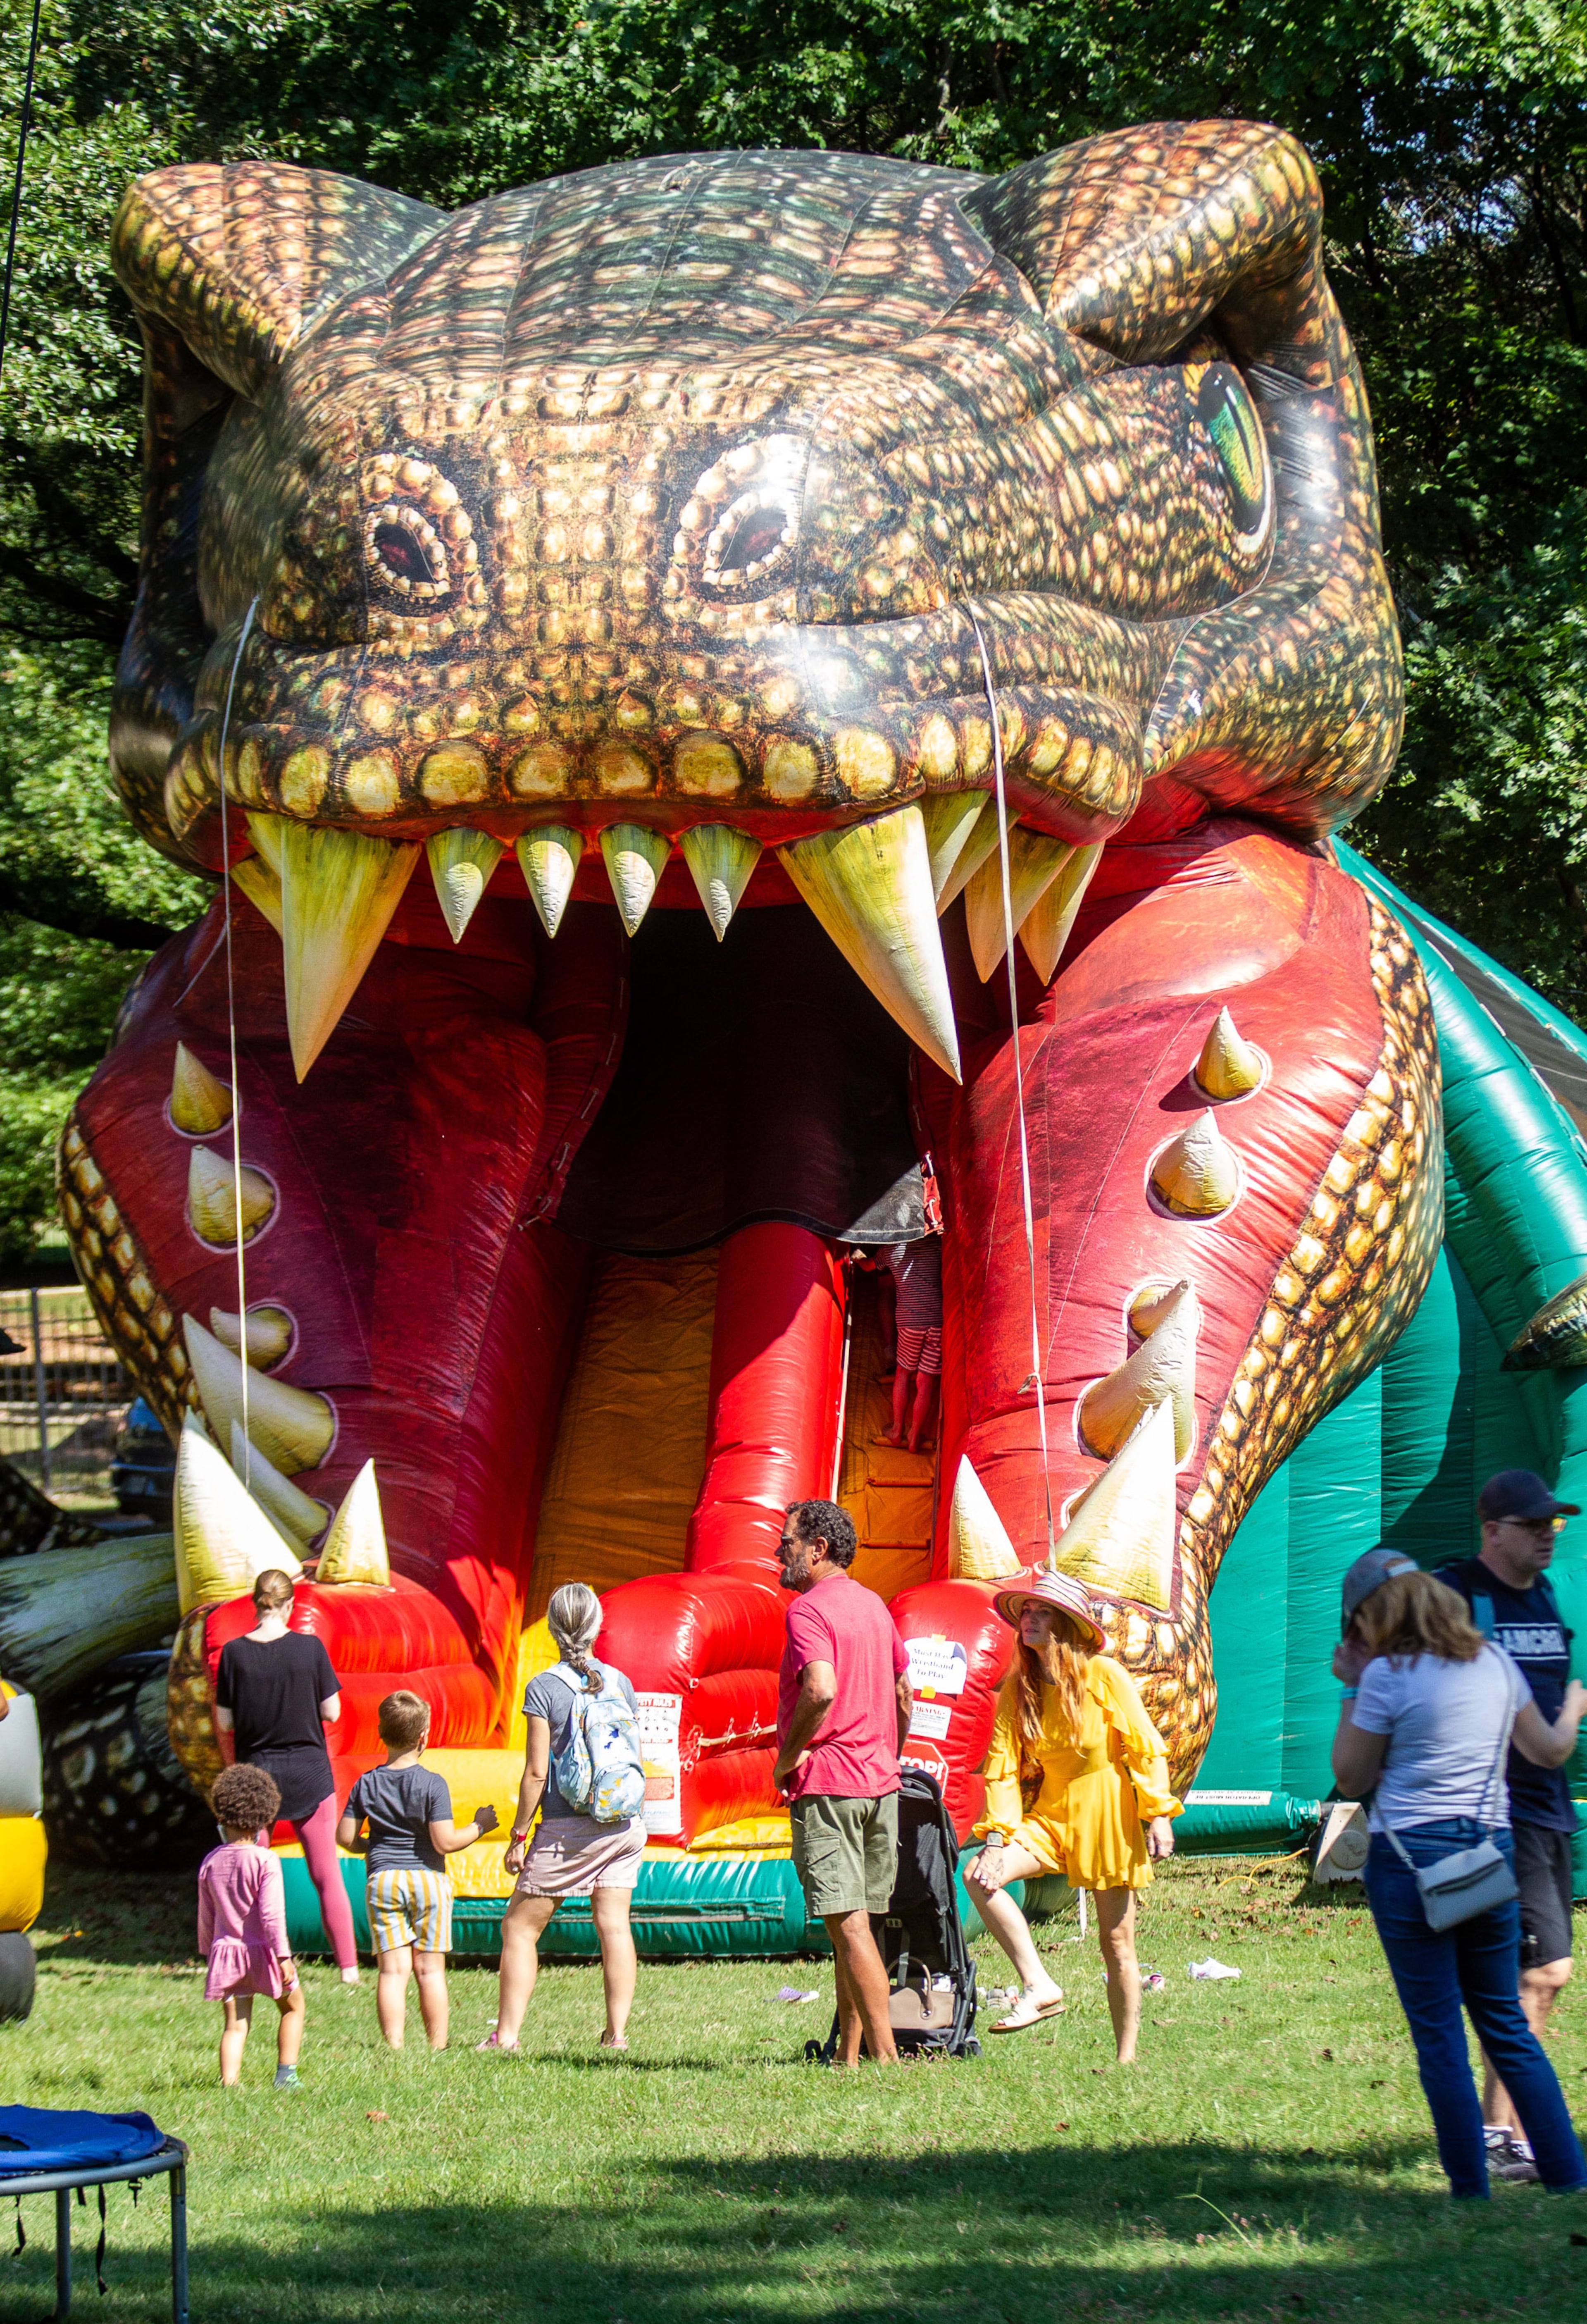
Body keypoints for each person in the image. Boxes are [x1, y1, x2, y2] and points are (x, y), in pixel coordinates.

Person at [1332, 1546, 1587, 2199]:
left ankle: (1471, 2189)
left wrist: (1351, 1688)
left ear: (1371, 1617)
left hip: (1410, 1860)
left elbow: (1353, 1777)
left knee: (1440, 2032)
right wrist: (1574, 1706)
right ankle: (1568, 2174)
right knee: (1504, 2020)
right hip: (1489, 1854)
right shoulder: (1496, 1663)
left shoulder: (1387, 1675)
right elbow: (1549, 1751)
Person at [965, 1568, 1179, 2062]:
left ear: (1066, 1625)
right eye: (1026, 1612)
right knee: (980, 1876)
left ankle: (1126, 2058)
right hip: (1050, 1815)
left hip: (1106, 1810)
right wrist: (997, 1841)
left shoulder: (1105, 1675)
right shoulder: (1018, 1689)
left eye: (1041, 1612)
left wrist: (1159, 1814)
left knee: (1117, 1942)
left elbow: (1143, 1748)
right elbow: (1001, 1770)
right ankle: (1039, 1985)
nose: (1029, 1619)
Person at [1435, 1472, 1584, 2181]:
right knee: (1536, 1973)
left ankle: (1506, 2131)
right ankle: (1499, 2137)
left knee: (1541, 1977)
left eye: (1553, 1524)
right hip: (1495, 1816)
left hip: (1549, 1810)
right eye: (1533, 1525)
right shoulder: (1457, 1591)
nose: (1547, 1535)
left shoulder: (1544, 1594)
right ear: (1492, 1528)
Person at [773, 1498, 913, 2066]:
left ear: (817, 1549)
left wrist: (788, 1756)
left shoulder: (808, 1610)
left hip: (829, 1784)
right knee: (855, 1928)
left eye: (787, 1542)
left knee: (849, 1925)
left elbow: (821, 1688)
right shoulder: (875, 1606)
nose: (779, 1552)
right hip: (880, 1785)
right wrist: (889, 1752)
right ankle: (846, 2057)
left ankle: (887, 2060)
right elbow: (905, 1695)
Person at [483, 1582, 646, 2054]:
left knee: (519, 1927)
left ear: (554, 1629)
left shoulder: (544, 1688)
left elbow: (537, 1772)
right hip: (623, 1822)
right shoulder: (622, 1682)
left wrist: (518, 1835)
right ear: (597, 1627)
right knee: (614, 1924)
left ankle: (506, 2037)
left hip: (568, 1826)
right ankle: (616, 2036)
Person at [213, 1569, 360, 1983]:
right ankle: (348, 1970)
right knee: (326, 1873)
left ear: (255, 1604)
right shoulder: (309, 1649)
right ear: (291, 1605)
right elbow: (332, 1711)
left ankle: (255, 1963)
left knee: (251, 1874)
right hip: (310, 1773)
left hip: (256, 1777)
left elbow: (225, 1721)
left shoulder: (234, 1654)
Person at [336, 1691, 497, 2052]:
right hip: (427, 1879)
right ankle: (437, 2046)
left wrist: (375, 1849)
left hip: (383, 1879)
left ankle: (395, 2046)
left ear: (381, 1733)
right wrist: (480, 1826)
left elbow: (346, 1837)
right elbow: (444, 1843)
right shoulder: (432, 1783)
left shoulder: (366, 1783)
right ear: (425, 1736)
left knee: (392, 1972)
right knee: (430, 1969)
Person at [198, 1762, 304, 2090]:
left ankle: (229, 2083)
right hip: (265, 1954)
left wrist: (208, 1952)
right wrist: (284, 1957)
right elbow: (272, 1916)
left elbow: (206, 1915)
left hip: (226, 1953)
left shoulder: (211, 1861)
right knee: (293, 2008)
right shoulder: (265, 1860)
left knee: (235, 2023)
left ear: (222, 1818)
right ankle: (286, 2076)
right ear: (264, 1819)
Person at [879, 1235, 941, 1453]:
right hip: (937, 1321)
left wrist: (857, 1258)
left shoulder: (890, 1248)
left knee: (904, 1373)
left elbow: (870, 1267)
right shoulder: (937, 1245)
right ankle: (915, 1434)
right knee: (926, 1380)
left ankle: (897, 1430)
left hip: (909, 1323)